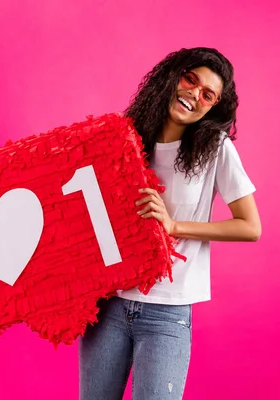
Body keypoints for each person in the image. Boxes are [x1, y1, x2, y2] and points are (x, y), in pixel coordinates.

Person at [79, 47, 262, 400]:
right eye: (190, 79)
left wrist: (174, 226)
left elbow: (250, 226)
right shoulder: (122, 136)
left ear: (214, 106)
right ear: (172, 76)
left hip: (167, 313)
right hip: (108, 303)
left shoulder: (216, 149)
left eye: (207, 94)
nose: (194, 94)